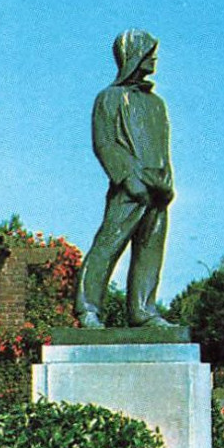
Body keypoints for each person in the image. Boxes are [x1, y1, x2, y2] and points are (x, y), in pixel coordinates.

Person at [76, 29, 175, 328]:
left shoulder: (157, 104)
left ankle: (144, 310)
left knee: (150, 250)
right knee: (108, 244)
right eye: (148, 52)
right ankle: (88, 308)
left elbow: (162, 147)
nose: (154, 58)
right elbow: (104, 143)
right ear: (134, 56)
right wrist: (127, 177)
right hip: (130, 188)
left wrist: (168, 181)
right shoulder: (109, 98)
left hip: (158, 189)